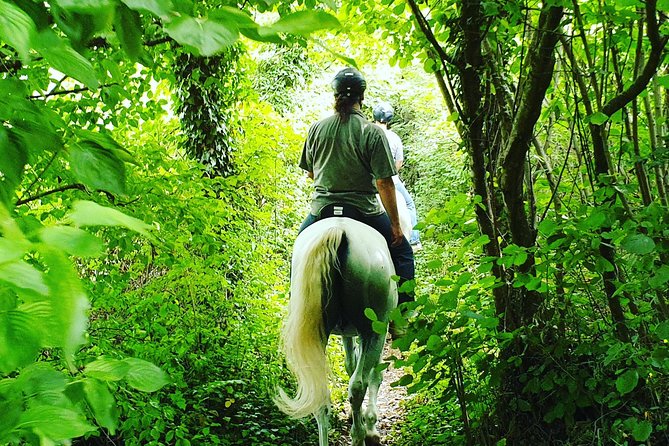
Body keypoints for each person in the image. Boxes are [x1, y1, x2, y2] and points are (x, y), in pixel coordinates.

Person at [298, 67, 415, 308]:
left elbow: (311, 172)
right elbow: (384, 182)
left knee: (299, 249)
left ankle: (295, 304)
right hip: (364, 210)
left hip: (323, 209)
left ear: (335, 96)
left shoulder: (317, 129)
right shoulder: (371, 132)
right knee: (403, 252)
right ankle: (404, 316)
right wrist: (394, 225)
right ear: (362, 98)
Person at [372, 102, 421, 250]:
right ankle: (414, 240)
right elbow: (398, 163)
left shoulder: (366, 133)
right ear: (389, 119)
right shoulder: (394, 138)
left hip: (369, 180)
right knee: (409, 204)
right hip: (390, 180)